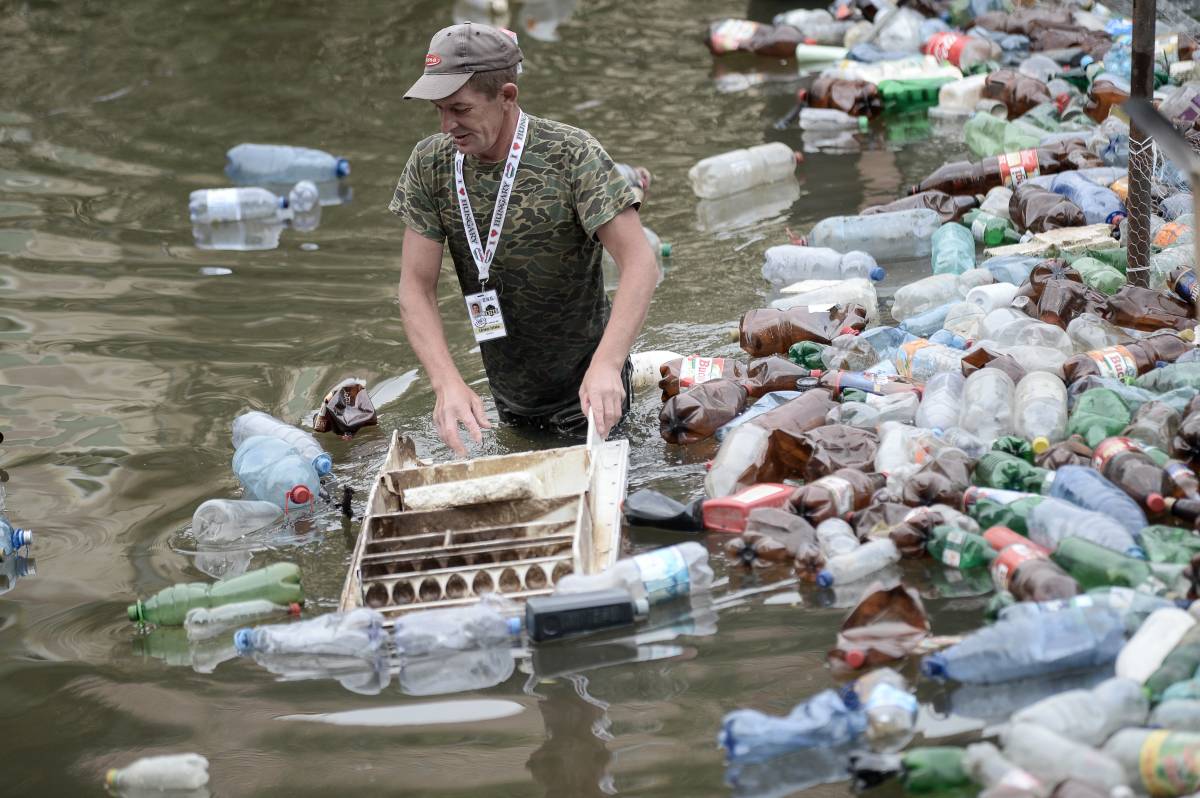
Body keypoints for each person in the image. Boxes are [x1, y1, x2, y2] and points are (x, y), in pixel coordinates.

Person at [390, 22, 659, 455]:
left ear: (507, 96)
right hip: (508, 399)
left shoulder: (571, 154)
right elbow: (415, 287)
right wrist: (447, 384)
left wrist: (608, 365)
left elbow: (640, 263)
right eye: (438, 109)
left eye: (460, 109)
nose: (446, 125)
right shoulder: (431, 163)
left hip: (591, 392)